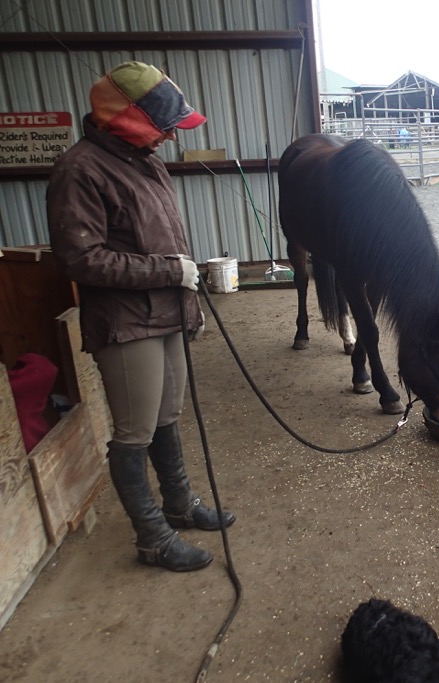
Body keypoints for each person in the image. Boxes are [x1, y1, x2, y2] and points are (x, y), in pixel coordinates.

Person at [47, 61, 236, 573]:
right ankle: (151, 536)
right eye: (163, 124)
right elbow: (80, 259)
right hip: (126, 322)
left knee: (167, 417)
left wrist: (182, 290)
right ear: (127, 117)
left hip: (165, 312)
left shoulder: (143, 161)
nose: (171, 136)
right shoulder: (80, 170)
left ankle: (178, 504)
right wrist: (168, 271)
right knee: (135, 431)